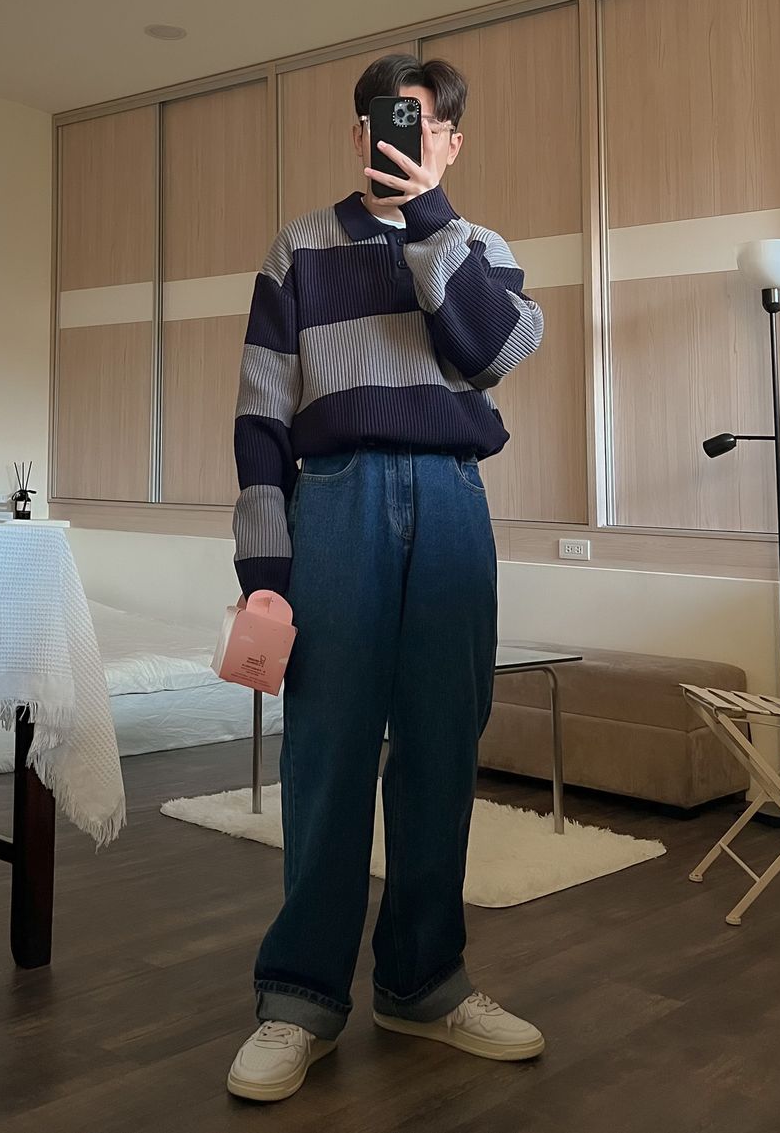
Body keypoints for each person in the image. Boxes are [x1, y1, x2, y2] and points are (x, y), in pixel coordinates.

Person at [226, 54, 545, 1102]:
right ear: (358, 134)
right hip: (336, 500)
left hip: (451, 498)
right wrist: (265, 568)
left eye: (422, 123)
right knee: (326, 750)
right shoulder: (298, 249)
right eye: (382, 121)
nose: (399, 138)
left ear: (450, 141)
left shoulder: (481, 249)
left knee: (442, 747)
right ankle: (300, 998)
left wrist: (429, 222)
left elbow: (491, 352)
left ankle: (423, 980)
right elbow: (262, 418)